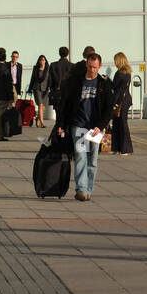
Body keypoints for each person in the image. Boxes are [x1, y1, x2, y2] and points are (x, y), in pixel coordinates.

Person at [55, 52, 114, 201]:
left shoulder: (104, 84)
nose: (92, 70)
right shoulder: (76, 82)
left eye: (95, 67)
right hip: (79, 125)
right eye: (89, 66)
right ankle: (81, 189)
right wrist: (61, 123)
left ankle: (88, 189)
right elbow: (65, 104)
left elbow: (109, 109)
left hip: (95, 128)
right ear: (86, 64)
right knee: (80, 156)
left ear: (99, 66)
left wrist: (100, 126)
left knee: (92, 159)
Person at [110, 52, 134, 156]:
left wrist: (107, 81)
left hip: (120, 101)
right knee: (120, 123)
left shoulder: (119, 73)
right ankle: (121, 148)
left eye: (115, 60)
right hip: (126, 100)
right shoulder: (128, 72)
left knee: (119, 124)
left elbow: (115, 88)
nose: (114, 62)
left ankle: (124, 148)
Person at [48, 46, 73, 114]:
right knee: (67, 112)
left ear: (59, 53)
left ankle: (58, 124)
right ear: (67, 54)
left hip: (57, 91)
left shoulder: (53, 65)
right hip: (69, 92)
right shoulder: (72, 66)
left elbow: (50, 80)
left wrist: (51, 90)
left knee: (58, 112)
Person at [28, 55, 51, 127]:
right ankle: (42, 123)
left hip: (45, 89)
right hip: (37, 88)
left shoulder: (48, 69)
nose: (42, 61)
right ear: (39, 61)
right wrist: (30, 88)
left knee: (43, 107)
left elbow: (50, 79)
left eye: (43, 60)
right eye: (40, 60)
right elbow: (32, 78)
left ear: (45, 61)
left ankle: (38, 119)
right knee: (40, 105)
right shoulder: (36, 68)